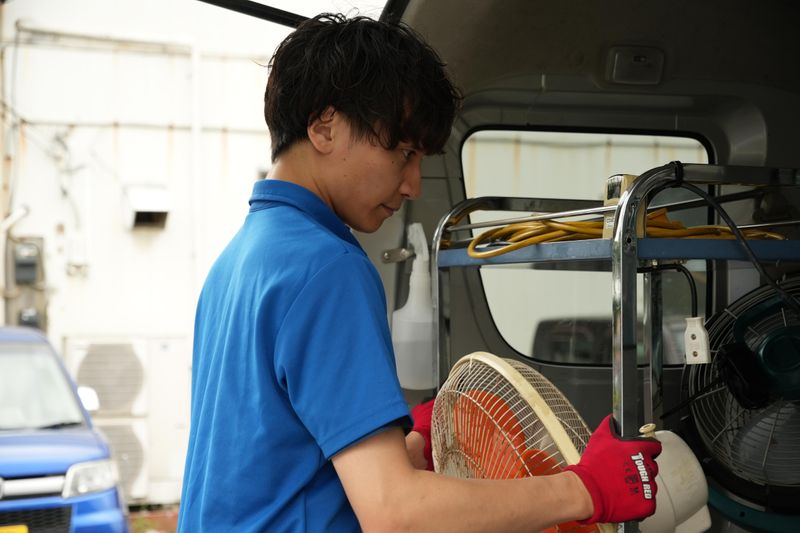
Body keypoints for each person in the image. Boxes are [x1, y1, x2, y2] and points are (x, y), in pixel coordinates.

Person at [177, 12, 662, 532]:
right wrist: (586, 488)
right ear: (324, 126)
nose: (412, 184)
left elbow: (283, 469)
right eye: (404, 153)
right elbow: (394, 513)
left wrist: (410, 442)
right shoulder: (328, 268)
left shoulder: (241, 259)